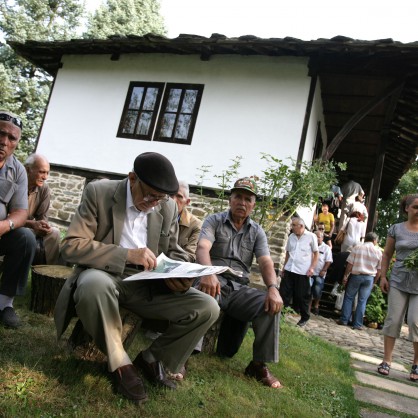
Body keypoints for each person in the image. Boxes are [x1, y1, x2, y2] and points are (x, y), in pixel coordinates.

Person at [54, 152, 220, 404]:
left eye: (160, 198)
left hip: (148, 283)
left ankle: (153, 360)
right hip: (105, 274)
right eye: (150, 195)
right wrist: (127, 254)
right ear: (132, 178)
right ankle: (121, 364)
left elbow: (173, 249)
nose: (154, 203)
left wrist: (183, 273)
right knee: (93, 285)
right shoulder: (99, 192)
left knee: (207, 307)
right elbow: (72, 246)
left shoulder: (167, 205)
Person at [195, 177, 283, 388]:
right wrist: (207, 273)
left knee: (269, 306)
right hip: (213, 280)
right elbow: (202, 248)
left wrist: (272, 288)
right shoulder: (213, 221)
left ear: (253, 205)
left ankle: (257, 365)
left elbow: (265, 262)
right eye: (238, 197)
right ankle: (184, 355)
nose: (242, 202)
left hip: (238, 289)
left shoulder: (257, 231)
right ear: (230, 200)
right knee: (201, 294)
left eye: (247, 199)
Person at [0, 110, 36, 329]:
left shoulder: (18, 170)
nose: (4, 141)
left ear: (17, 142)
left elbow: (21, 212)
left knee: (26, 238)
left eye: (11, 138)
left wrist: (5, 225)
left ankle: (5, 303)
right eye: (1, 133)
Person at [377, 194, 418, 382]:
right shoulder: (396, 229)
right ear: (407, 209)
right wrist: (383, 276)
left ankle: (416, 364)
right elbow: (386, 254)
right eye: (416, 207)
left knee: (416, 322)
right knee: (393, 320)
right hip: (398, 280)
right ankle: (387, 360)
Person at [337, 232, 382, 330]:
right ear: (375, 241)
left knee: (349, 297)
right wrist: (374, 281)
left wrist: (345, 276)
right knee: (362, 301)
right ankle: (357, 324)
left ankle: (344, 320)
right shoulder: (378, 252)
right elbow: (379, 270)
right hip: (369, 278)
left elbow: (350, 264)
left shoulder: (357, 248)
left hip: (356, 276)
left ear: (366, 239)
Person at [280, 216, 319, 327]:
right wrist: (284, 267)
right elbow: (288, 253)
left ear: (301, 226)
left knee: (302, 296)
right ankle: (280, 314)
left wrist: (312, 267)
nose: (292, 227)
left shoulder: (311, 237)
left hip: (302, 271)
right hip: (289, 269)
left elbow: (316, 253)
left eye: (293, 225)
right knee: (284, 293)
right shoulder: (291, 236)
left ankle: (304, 317)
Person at [24, 154, 61, 265]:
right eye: (41, 172)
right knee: (26, 233)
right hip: (10, 226)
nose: (45, 177)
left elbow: (42, 217)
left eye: (47, 173)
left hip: (29, 227)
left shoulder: (44, 188)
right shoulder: (16, 183)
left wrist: (44, 226)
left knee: (55, 233)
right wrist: (32, 224)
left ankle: (46, 275)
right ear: (28, 170)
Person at [172, 180, 202, 262]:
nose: (173, 200)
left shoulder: (195, 225)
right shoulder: (157, 216)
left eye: (179, 196)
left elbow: (190, 255)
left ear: (187, 202)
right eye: (171, 195)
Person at [311, 230, 333, 315]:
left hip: (319, 273)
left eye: (318, 237)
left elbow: (328, 261)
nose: (316, 238)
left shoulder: (326, 248)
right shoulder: (311, 245)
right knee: (308, 290)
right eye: (315, 236)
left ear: (322, 238)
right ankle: (308, 307)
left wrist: (324, 270)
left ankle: (316, 304)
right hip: (309, 272)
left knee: (317, 290)